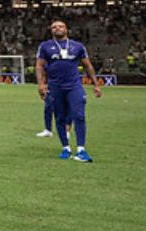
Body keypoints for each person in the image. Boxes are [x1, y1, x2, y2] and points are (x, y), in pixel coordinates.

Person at [36, 20, 102, 162]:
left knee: (79, 116)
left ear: (66, 29)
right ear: (51, 31)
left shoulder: (77, 46)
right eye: (54, 27)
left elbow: (87, 66)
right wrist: (41, 84)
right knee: (59, 118)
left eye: (60, 26)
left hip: (74, 86)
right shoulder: (45, 46)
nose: (57, 28)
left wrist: (95, 84)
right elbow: (40, 66)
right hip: (55, 87)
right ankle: (65, 148)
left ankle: (81, 150)